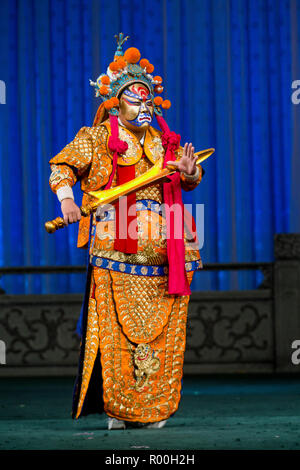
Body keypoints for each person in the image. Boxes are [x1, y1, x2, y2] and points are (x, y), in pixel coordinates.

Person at [48, 33, 204, 430]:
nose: (145, 105)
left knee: (164, 332)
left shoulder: (162, 141)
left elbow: (186, 179)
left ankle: (155, 406)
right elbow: (62, 168)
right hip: (116, 249)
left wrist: (190, 173)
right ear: (117, 101)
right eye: (136, 99)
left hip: (167, 252)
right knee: (116, 331)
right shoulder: (98, 138)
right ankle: (118, 407)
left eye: (148, 99)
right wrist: (67, 200)